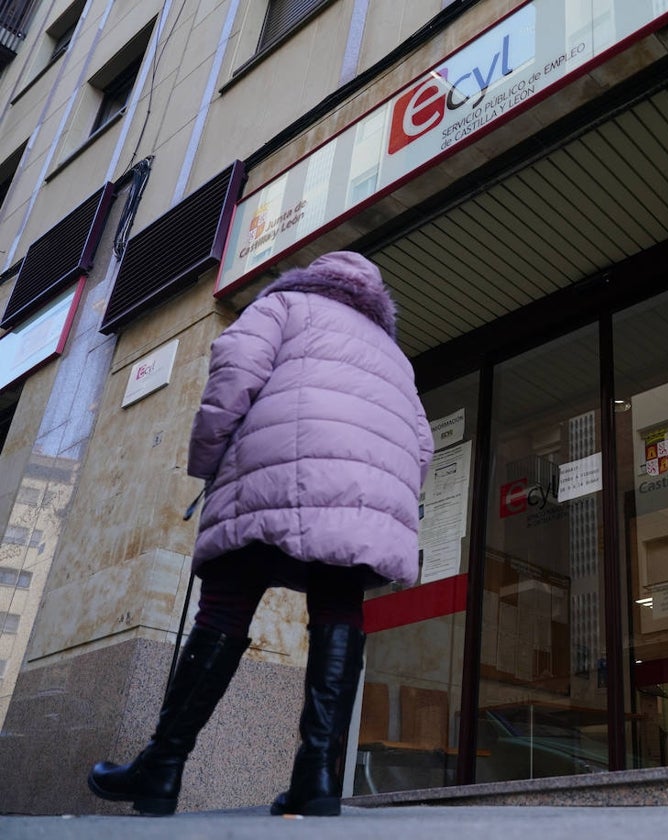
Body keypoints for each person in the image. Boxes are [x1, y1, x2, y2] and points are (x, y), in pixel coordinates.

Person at [87, 251, 433, 817]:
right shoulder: (393, 355)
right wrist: (378, 498)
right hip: (364, 498)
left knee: (225, 604)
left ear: (315, 277)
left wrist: (208, 459)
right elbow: (421, 444)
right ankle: (316, 777)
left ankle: (162, 768)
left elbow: (234, 376)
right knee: (339, 606)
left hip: (272, 471)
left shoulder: (283, 305)